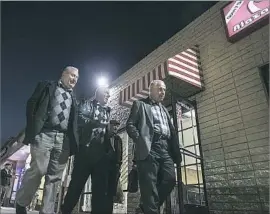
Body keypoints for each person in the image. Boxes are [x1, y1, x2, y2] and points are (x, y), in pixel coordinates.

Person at [16, 66, 79, 214]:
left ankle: (47, 211)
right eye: (72, 75)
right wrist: (33, 128)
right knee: (38, 170)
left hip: (63, 140)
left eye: (77, 77)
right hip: (45, 134)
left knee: (55, 179)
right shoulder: (47, 86)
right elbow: (31, 103)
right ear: (63, 74)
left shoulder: (74, 98)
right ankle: (21, 202)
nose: (75, 79)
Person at [126, 80, 182, 214]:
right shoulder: (140, 104)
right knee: (149, 187)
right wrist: (141, 141)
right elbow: (130, 125)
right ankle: (149, 208)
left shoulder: (164, 109)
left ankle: (145, 208)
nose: (163, 92)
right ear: (151, 90)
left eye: (164, 89)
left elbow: (170, 130)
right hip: (149, 147)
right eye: (160, 89)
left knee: (170, 180)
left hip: (165, 148)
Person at [61, 87, 113, 214]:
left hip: (101, 155)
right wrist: (94, 122)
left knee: (100, 190)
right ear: (99, 94)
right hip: (85, 151)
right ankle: (65, 210)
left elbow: (106, 130)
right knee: (76, 186)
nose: (108, 96)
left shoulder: (108, 110)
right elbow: (79, 119)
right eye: (106, 93)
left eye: (109, 95)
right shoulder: (87, 104)